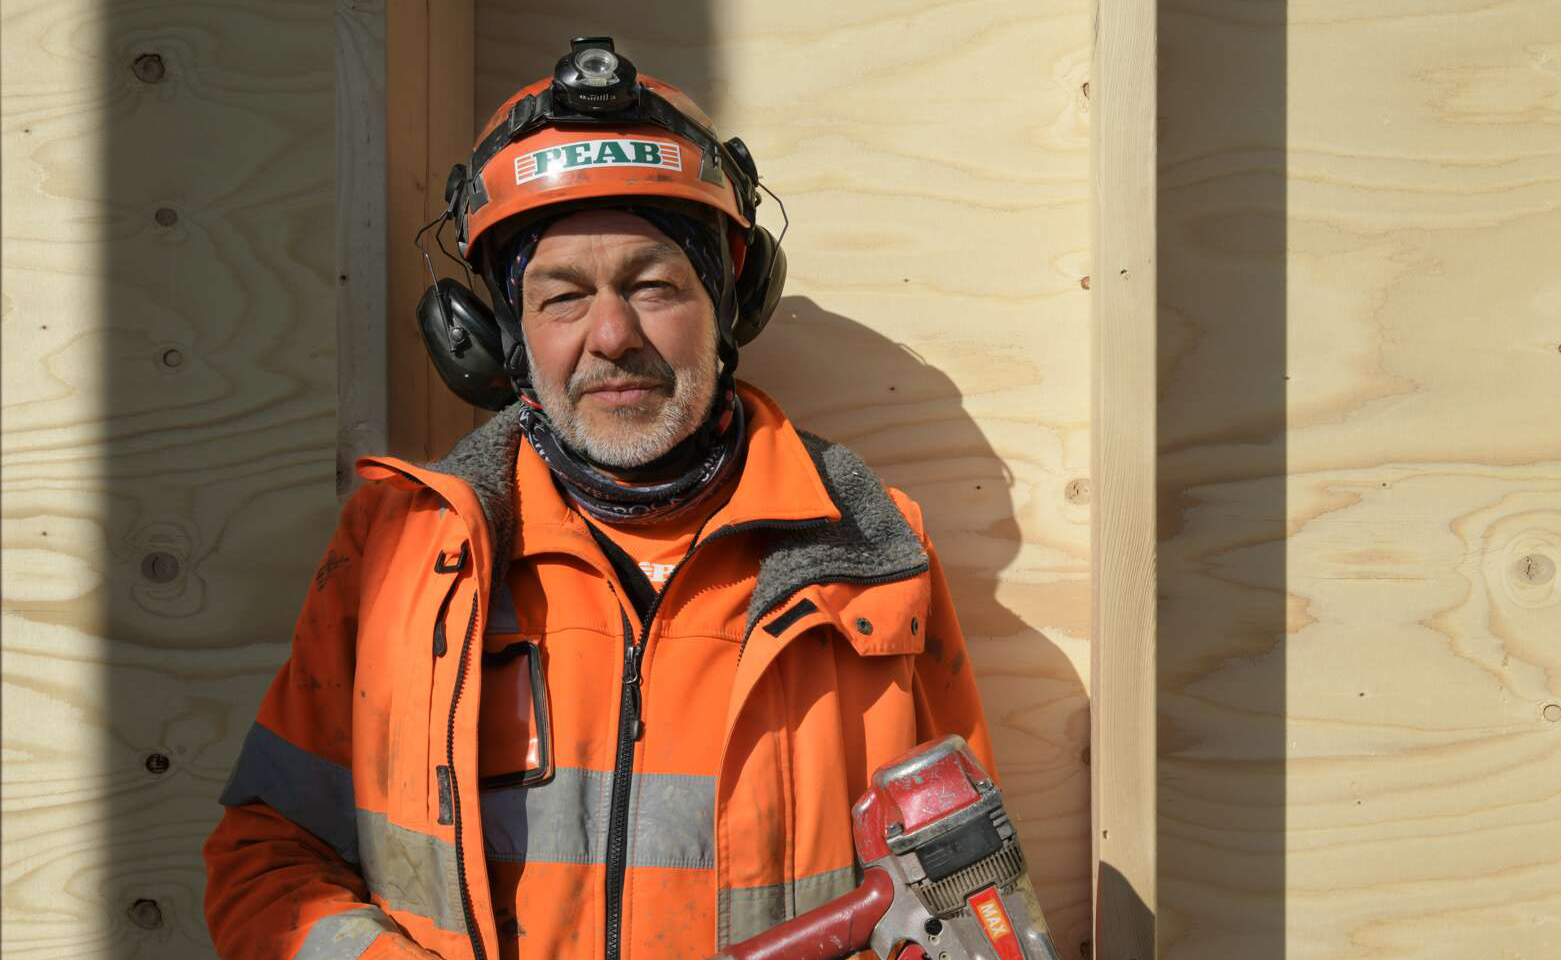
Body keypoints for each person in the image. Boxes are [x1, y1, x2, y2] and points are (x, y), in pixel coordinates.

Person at [202, 38, 995, 960]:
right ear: (495, 336)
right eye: (563, 297)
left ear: (730, 304)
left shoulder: (874, 559)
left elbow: (963, 908)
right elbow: (268, 860)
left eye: (654, 285)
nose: (613, 335)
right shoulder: (397, 553)